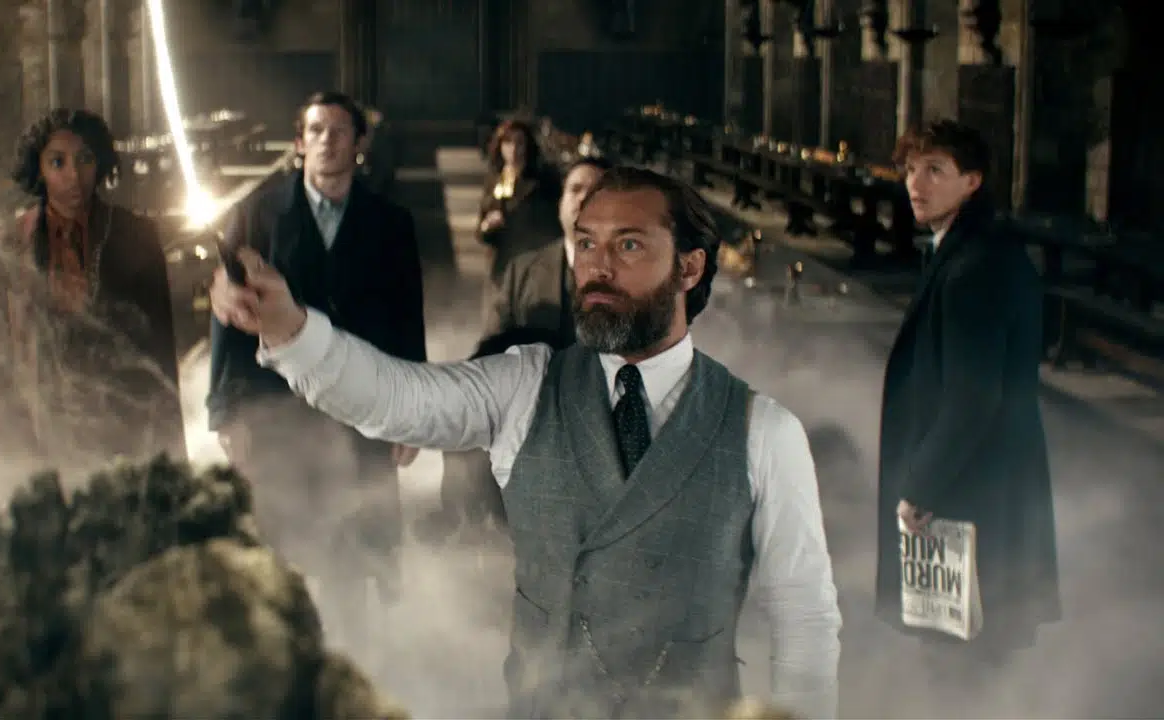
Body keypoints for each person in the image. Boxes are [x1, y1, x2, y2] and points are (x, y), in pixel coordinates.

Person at [211, 166, 842, 719]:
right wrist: (291, 330)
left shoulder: (764, 433)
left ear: (690, 267)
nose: (598, 266)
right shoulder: (526, 384)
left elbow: (804, 620)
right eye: (587, 243)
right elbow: (394, 399)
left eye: (628, 244)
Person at [205, 91, 426, 645]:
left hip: (361, 404)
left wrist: (413, 413)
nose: (327, 141)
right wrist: (226, 411)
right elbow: (228, 322)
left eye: (339, 131)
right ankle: (284, 655)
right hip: (277, 405)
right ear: (300, 143)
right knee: (283, 547)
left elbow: (406, 321)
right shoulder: (255, 214)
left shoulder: (391, 223)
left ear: (358, 145)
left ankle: (352, 659)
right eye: (317, 130)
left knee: (354, 547)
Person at [875, 120, 1060, 701]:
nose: (916, 183)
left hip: (971, 491)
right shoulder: (976, 252)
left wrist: (920, 486)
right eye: (910, 169)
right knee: (975, 661)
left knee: (960, 665)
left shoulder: (974, 267)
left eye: (935, 170)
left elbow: (973, 396)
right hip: (990, 483)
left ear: (972, 181)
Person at [0, 108, 185, 512]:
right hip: (39, 445)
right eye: (57, 162)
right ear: (39, 170)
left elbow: (161, 356)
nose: (73, 175)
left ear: (101, 163)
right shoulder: (8, 245)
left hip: (121, 442)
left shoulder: (136, 237)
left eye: (85, 159)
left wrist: (172, 463)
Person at [433, 156, 614, 538]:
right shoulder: (524, 269)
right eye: (575, 189)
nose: (584, 199)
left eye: (596, 191)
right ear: (561, 203)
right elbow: (492, 351)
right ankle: (469, 524)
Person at [476, 118, 563, 286]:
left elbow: (553, 225)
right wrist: (487, 227)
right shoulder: (494, 179)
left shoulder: (543, 180)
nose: (514, 149)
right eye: (508, 142)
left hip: (534, 266)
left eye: (520, 143)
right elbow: (481, 228)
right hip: (501, 269)